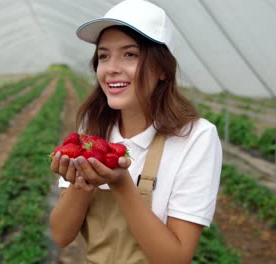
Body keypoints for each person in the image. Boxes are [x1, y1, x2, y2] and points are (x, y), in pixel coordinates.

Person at [49, 0, 222, 263]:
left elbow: (175, 259)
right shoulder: (92, 127)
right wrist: (80, 183)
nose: (111, 68)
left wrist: (120, 183)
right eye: (104, 56)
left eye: (130, 54)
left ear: (163, 69)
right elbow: (62, 235)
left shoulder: (195, 138)